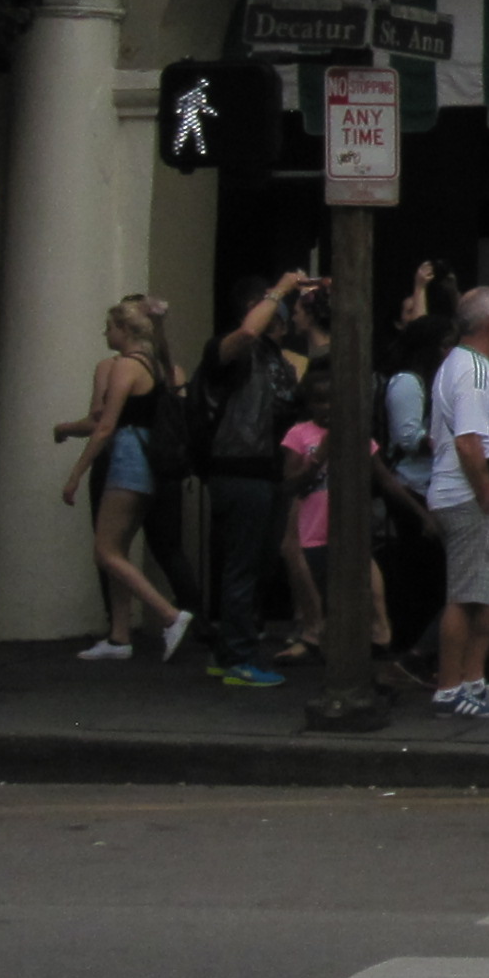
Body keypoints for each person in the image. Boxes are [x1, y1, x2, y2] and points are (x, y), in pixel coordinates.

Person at [54, 292, 191, 664]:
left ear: (124, 330)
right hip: (150, 459)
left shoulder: (124, 366)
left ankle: (169, 615)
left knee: (106, 551)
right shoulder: (156, 365)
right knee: (119, 547)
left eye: (109, 327)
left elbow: (104, 426)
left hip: (129, 458)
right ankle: (119, 637)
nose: (105, 334)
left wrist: (76, 473)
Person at [193, 268, 313, 690]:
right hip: (238, 469)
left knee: (257, 565)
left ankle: (229, 651)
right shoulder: (227, 348)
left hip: (266, 471)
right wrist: (279, 289)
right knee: (243, 566)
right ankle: (239, 657)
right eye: (269, 303)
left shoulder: (273, 357)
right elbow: (245, 333)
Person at [421, 286, 489, 718]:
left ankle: (473, 679)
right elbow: (468, 443)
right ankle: (449, 688)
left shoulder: (465, 366)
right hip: (471, 498)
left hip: (471, 496)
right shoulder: (473, 371)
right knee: (466, 595)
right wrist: (487, 495)